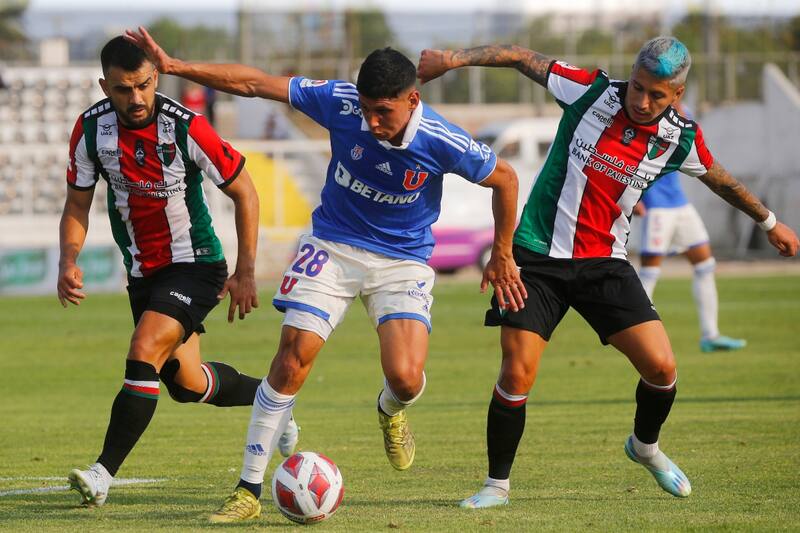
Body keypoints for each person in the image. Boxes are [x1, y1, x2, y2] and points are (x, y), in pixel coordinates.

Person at [126, 27, 526, 523]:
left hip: (402, 260)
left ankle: (390, 410)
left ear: (412, 99)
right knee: (293, 357)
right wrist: (178, 67)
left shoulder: (442, 140)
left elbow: (505, 179)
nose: (374, 122)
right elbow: (256, 84)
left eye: (385, 111)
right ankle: (248, 489)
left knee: (405, 377)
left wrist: (502, 253)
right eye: (367, 109)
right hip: (332, 246)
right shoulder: (339, 103)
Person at [417, 36, 799, 507]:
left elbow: (720, 178)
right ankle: (496, 485)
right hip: (535, 258)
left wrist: (768, 221)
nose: (641, 101)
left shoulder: (680, 138)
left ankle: (645, 446)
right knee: (517, 373)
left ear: (676, 95)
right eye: (637, 87)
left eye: (656, 95)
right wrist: (451, 60)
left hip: (605, 264)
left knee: (661, 368)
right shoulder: (591, 91)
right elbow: (518, 57)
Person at [57, 36, 293, 508]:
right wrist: (68, 259)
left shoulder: (185, 127)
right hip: (144, 275)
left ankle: (102, 473)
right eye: (124, 89)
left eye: (144, 85)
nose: (137, 98)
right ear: (105, 86)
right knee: (188, 385)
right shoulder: (90, 130)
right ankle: (278, 403)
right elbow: (77, 205)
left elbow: (245, 192)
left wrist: (246, 272)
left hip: (196, 265)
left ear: (156, 78)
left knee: (143, 349)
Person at [634, 102, 746, 352]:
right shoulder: (641, 110)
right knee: (649, 273)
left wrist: (674, 104)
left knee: (705, 264)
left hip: (680, 203)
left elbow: (687, 133)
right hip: (657, 207)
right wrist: (635, 198)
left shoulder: (682, 110)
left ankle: (710, 335)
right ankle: (633, 334)